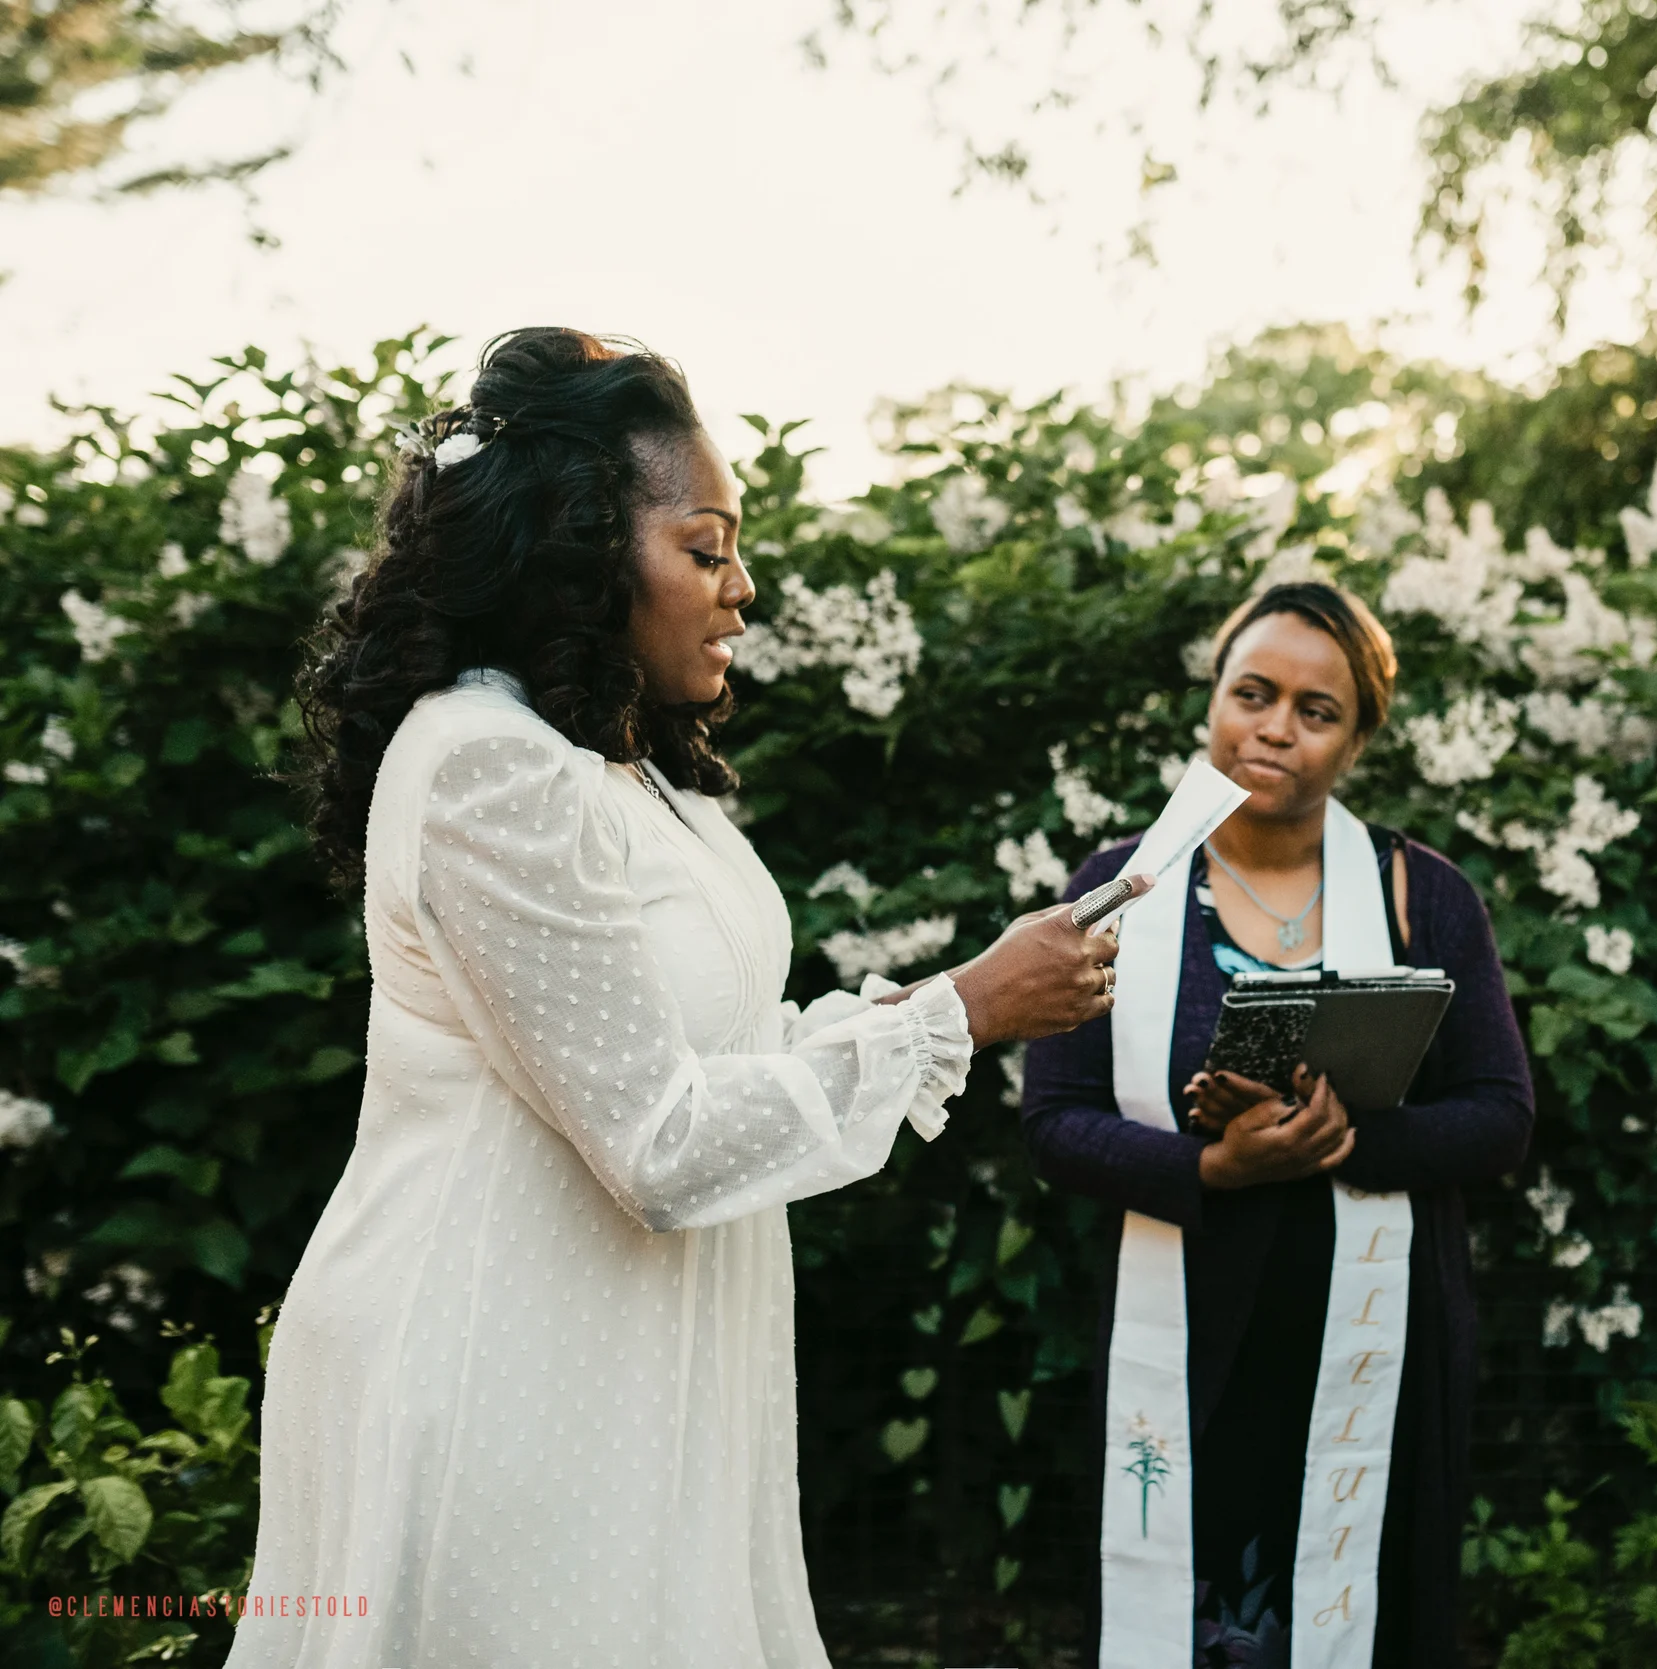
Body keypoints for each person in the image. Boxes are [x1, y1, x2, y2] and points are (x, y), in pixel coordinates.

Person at [235, 327, 1134, 1669]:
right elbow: (661, 1139)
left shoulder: (621, 770)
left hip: (632, 1368)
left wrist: (922, 1011)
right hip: (502, 1373)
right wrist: (965, 1009)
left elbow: (720, 1054)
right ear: (587, 553)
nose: (744, 589)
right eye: (705, 548)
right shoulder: (491, 767)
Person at [1022, 582, 1535, 1669]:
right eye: (1253, 693)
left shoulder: (1421, 896)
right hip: (1183, 1333)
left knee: (1365, 1622)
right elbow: (1052, 1121)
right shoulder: (1119, 887)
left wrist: (1340, 1139)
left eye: (1317, 710)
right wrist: (1213, 1164)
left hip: (1374, 1339)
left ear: (1356, 739)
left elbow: (1499, 1115)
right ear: (1213, 698)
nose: (1275, 728)